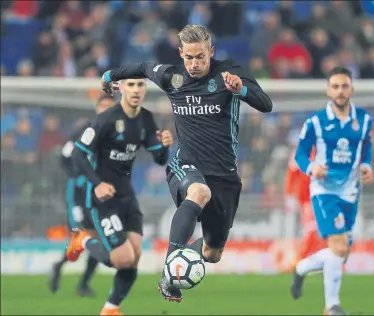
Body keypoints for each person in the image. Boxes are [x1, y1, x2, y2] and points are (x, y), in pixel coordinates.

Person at [100, 24, 273, 302]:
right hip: (186, 164)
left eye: (200, 57)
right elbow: (144, 67)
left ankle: (182, 261)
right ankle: (170, 272)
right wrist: (110, 75)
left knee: (212, 253)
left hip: (225, 175)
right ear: (181, 53)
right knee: (198, 192)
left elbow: (266, 104)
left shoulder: (230, 73)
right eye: (189, 57)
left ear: (211, 52)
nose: (194, 64)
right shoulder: (172, 77)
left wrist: (241, 91)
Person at [66, 78, 174, 316]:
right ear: (122, 89)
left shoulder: (145, 118)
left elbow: (159, 159)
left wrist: (164, 145)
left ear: (145, 89)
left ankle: (110, 309)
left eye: (140, 85)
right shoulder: (105, 119)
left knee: (135, 257)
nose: (136, 90)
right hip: (103, 200)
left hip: (127, 196)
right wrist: (97, 184)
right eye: (131, 85)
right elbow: (77, 154)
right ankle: (82, 239)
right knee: (123, 259)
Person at [290, 67, 374, 316]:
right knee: (338, 247)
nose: (340, 91)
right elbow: (300, 154)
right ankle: (331, 307)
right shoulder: (315, 122)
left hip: (351, 191)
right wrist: (311, 168)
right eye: (335, 86)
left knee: (342, 253)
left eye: (344, 86)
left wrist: (367, 165)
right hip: (324, 191)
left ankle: (302, 267)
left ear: (352, 89)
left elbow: (366, 145)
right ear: (328, 90)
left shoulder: (364, 120)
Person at [49, 95, 115, 296]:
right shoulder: (83, 131)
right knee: (81, 236)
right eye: (103, 107)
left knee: (99, 240)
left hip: (99, 194)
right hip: (78, 193)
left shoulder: (116, 134)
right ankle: (60, 265)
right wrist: (78, 176)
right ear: (97, 108)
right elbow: (64, 156)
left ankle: (83, 284)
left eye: (110, 108)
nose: (106, 111)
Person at [284, 145, 326, 271]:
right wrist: (289, 194)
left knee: (318, 230)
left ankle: (309, 261)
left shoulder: (326, 146)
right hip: (308, 198)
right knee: (311, 228)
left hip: (324, 197)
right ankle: (304, 261)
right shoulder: (301, 151)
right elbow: (292, 173)